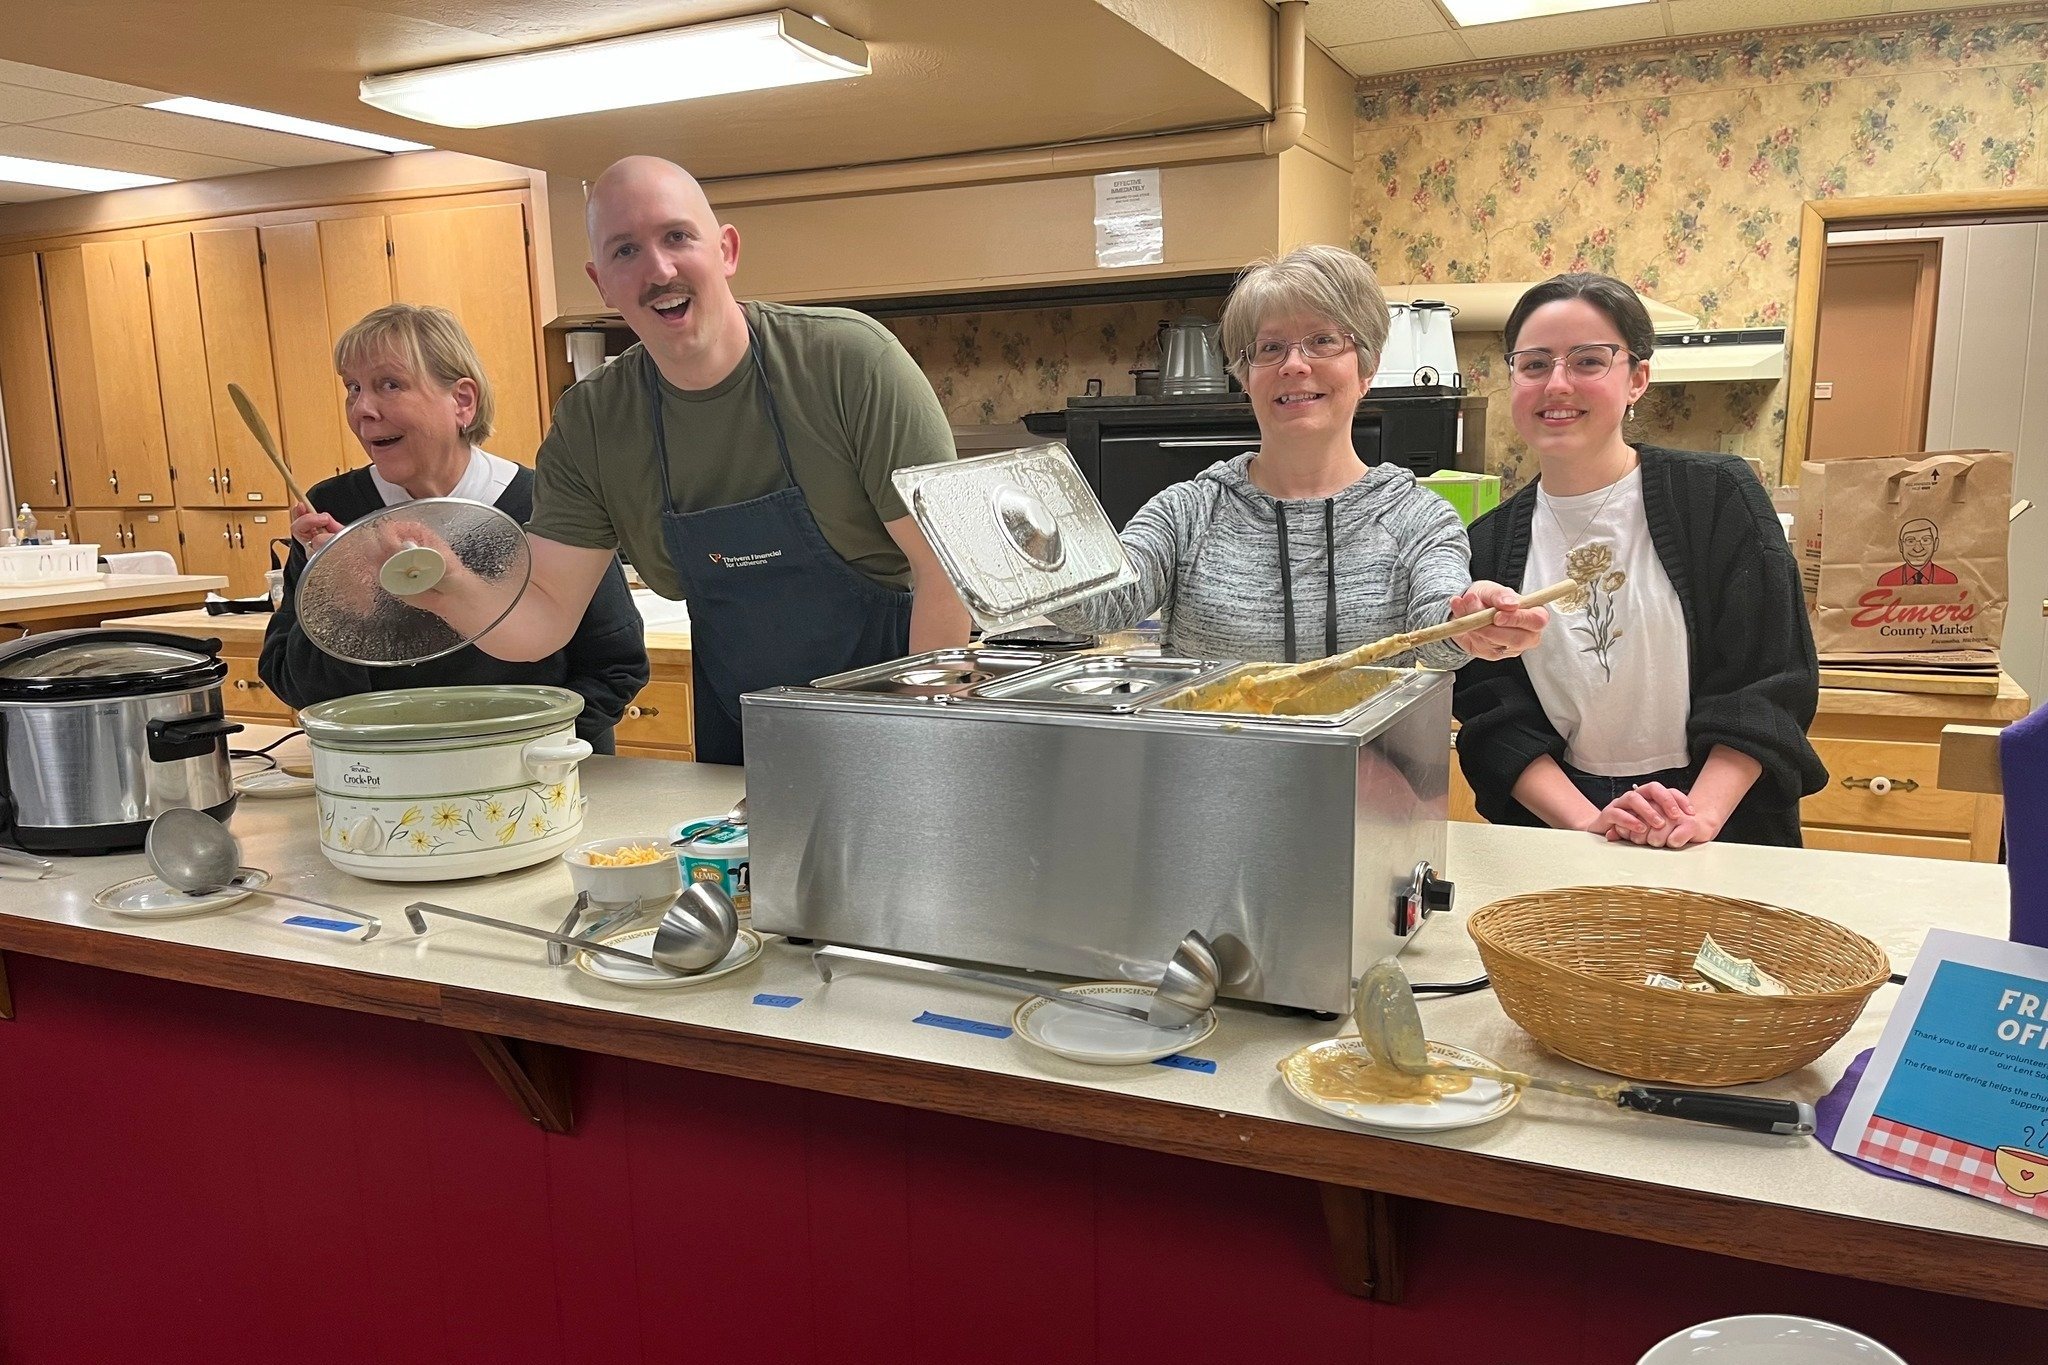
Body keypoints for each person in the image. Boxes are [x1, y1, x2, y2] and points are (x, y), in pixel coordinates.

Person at [402, 156, 969, 764]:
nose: (659, 269)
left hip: (895, 717)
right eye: (625, 251)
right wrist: (443, 585)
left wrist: (915, 745)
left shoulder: (848, 364)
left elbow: (947, 576)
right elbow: (543, 617)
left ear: (725, 250)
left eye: (677, 237)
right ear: (601, 283)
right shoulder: (595, 422)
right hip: (739, 743)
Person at [1452, 273, 1827, 848]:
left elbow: (1769, 678)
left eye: (1587, 361)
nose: (1557, 383)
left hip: (1720, 820)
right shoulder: (1487, 544)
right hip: (1564, 827)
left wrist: (1696, 818)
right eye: (1534, 364)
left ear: (1638, 379)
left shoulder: (1716, 496)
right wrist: (1587, 825)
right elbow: (1494, 718)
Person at [1052, 244, 1546, 666]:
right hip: (1210, 774)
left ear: (1367, 368)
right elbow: (1099, 606)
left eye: (1323, 341)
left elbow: (1439, 624)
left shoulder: (1417, 517)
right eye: (1269, 348)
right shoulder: (1186, 512)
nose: (1294, 365)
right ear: (1245, 377)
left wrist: (1470, 622)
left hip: (1361, 775)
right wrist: (1021, 553)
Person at [262, 304, 647, 753]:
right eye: (352, 388)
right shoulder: (334, 511)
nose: (362, 409)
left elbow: (616, 665)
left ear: (462, 401)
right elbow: (294, 682)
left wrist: (519, 758)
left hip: (542, 778)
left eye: (390, 384)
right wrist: (342, 598)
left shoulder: (548, 504)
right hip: (391, 783)